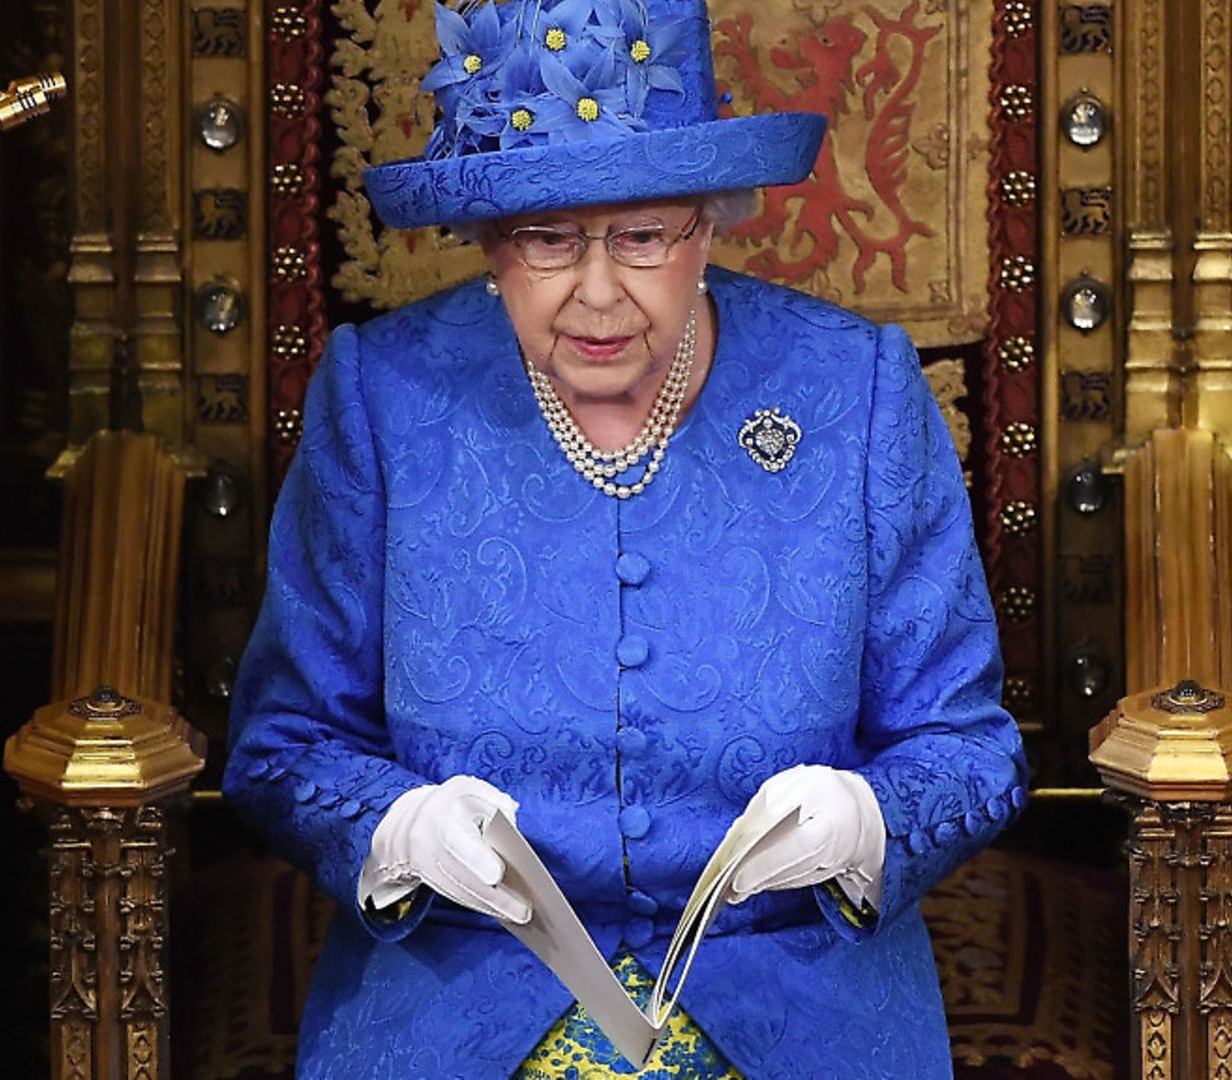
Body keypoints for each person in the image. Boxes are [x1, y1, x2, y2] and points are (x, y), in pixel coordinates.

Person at [222, 0, 1027, 1075]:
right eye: (546, 238)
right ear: (488, 241)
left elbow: (969, 749)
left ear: (711, 218)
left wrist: (867, 823)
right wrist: (395, 831)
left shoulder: (858, 391)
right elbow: (281, 747)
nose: (597, 293)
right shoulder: (383, 399)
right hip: (460, 1004)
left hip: (798, 1002)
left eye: (644, 234)